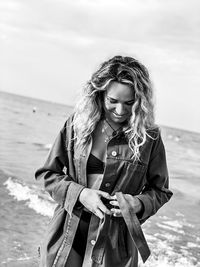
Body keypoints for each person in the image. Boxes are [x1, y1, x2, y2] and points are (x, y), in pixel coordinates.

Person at [35, 55, 173, 267]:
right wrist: (81, 194)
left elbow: (160, 191)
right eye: (113, 101)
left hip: (114, 248)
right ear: (99, 94)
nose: (120, 111)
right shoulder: (77, 125)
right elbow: (47, 174)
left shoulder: (150, 138)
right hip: (66, 236)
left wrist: (138, 203)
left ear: (140, 100)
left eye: (129, 103)